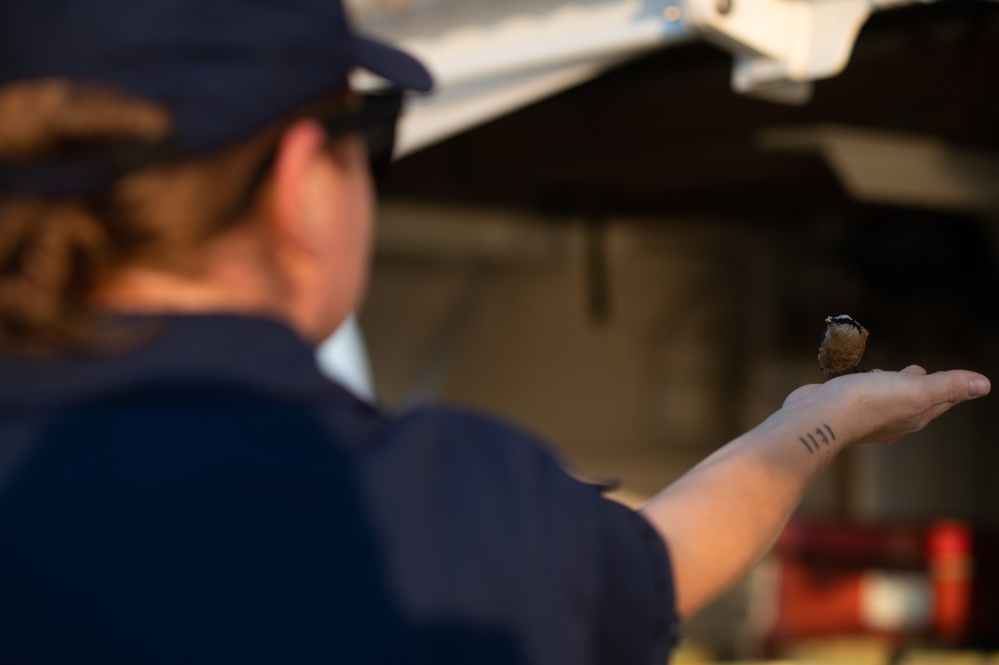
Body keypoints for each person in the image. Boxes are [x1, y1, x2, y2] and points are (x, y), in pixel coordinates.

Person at [0, 0, 989, 662]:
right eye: (363, 139)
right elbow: (666, 554)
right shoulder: (424, 515)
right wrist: (812, 423)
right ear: (303, 184)